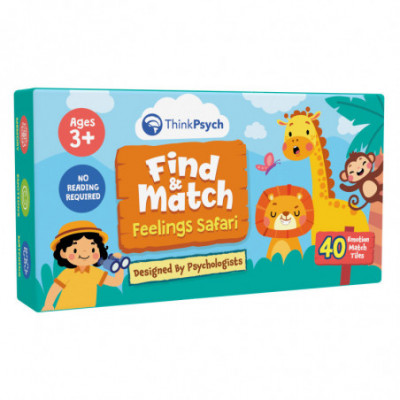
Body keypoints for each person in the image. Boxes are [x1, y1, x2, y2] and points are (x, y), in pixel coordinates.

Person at [42, 221, 124, 311]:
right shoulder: (67, 273)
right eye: (75, 250)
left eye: (92, 249)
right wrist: (48, 304)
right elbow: (55, 288)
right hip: (64, 310)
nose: (85, 253)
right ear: (63, 253)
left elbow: (116, 281)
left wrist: (119, 265)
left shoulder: (95, 273)